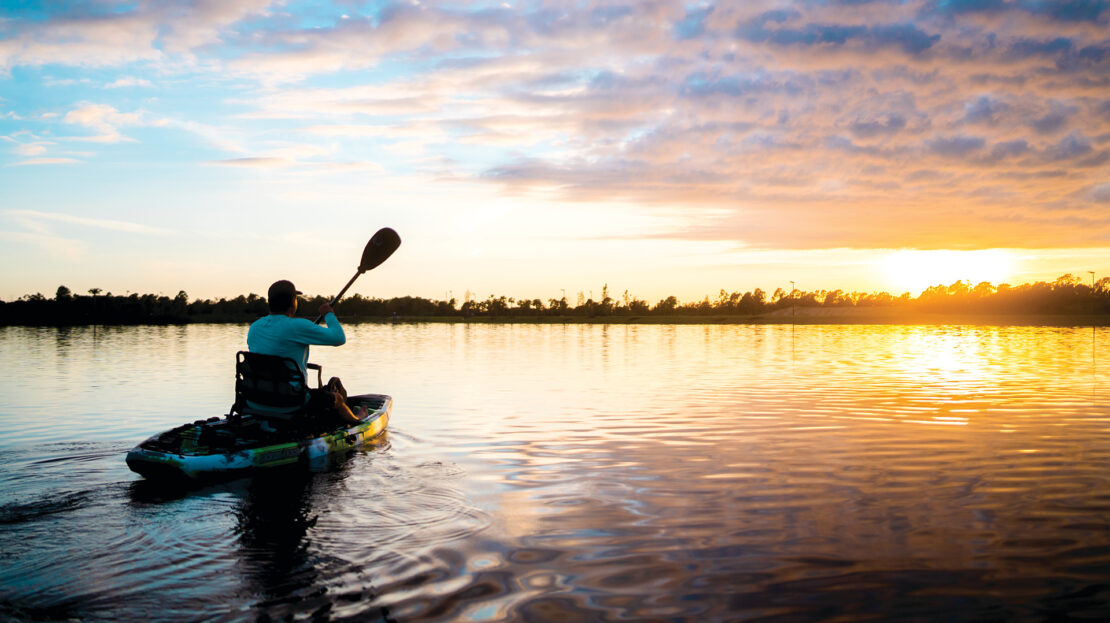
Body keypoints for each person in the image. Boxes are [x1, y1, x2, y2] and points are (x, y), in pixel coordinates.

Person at [247, 279, 366, 425]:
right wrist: (328, 313)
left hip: (256, 399)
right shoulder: (297, 326)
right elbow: (339, 338)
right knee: (338, 398)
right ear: (293, 302)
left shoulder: (255, 327)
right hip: (291, 402)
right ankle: (356, 420)